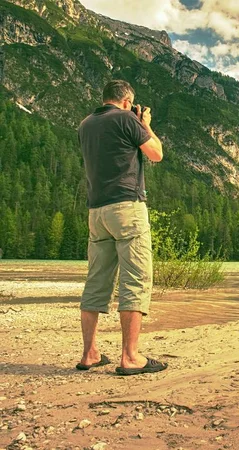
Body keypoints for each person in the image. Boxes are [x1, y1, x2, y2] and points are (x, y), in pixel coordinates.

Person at [76, 80, 167, 375]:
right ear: (127, 101)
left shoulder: (85, 125)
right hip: (127, 206)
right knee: (135, 280)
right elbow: (156, 153)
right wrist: (146, 125)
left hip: (96, 212)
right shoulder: (128, 118)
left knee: (96, 281)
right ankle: (130, 357)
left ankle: (90, 353)